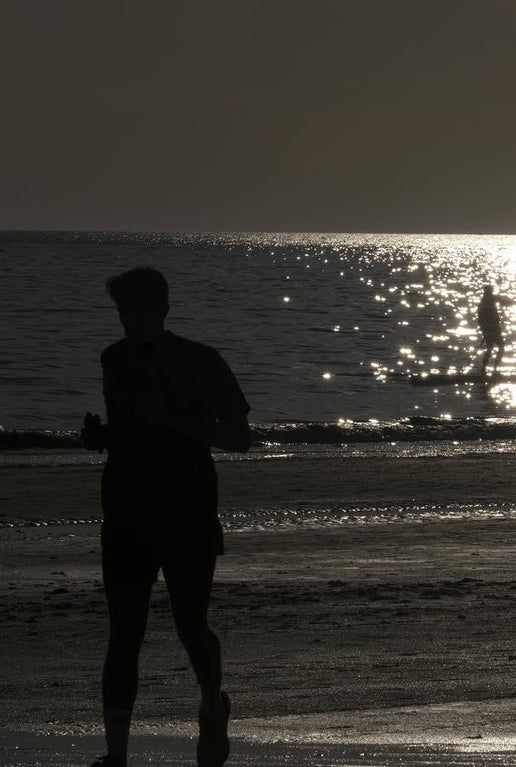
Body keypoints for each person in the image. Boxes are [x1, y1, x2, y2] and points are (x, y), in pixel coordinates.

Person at [81, 266, 252, 767]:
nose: (130, 322)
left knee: (190, 621)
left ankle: (210, 705)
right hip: (126, 509)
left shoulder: (202, 360)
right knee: (124, 631)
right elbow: (130, 430)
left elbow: (240, 438)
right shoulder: (113, 359)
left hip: (188, 507)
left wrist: (173, 423)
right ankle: (116, 753)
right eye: (123, 313)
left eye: (138, 311)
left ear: (163, 309)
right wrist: (102, 437)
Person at [477, 284, 505, 376]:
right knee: (496, 348)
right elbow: (480, 319)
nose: (491, 293)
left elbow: (499, 300)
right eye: (490, 291)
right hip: (491, 330)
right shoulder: (485, 303)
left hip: (493, 329)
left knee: (494, 349)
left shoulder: (490, 299)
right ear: (487, 292)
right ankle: (491, 370)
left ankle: (488, 370)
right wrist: (485, 330)